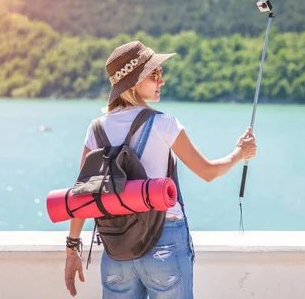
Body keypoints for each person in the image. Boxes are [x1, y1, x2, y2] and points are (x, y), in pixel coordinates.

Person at [64, 41, 257, 298]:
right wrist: (239, 154)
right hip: (164, 240)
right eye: (155, 74)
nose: (161, 81)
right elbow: (208, 172)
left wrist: (72, 248)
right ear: (134, 82)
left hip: (116, 248)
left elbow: (83, 195)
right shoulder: (164, 123)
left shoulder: (96, 129)